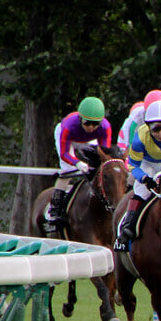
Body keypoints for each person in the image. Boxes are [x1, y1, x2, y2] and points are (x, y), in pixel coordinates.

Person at [114, 100, 161, 251]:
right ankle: (129, 222)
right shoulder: (139, 138)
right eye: (156, 129)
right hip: (147, 164)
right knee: (141, 190)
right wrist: (144, 178)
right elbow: (133, 166)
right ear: (148, 126)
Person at [45, 96, 113, 234]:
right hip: (69, 138)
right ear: (80, 119)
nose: (91, 127)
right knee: (68, 168)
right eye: (87, 123)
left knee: (97, 165)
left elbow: (104, 154)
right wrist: (77, 163)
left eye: (95, 124)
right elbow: (65, 154)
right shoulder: (68, 126)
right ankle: (55, 208)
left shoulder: (106, 128)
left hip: (88, 141)